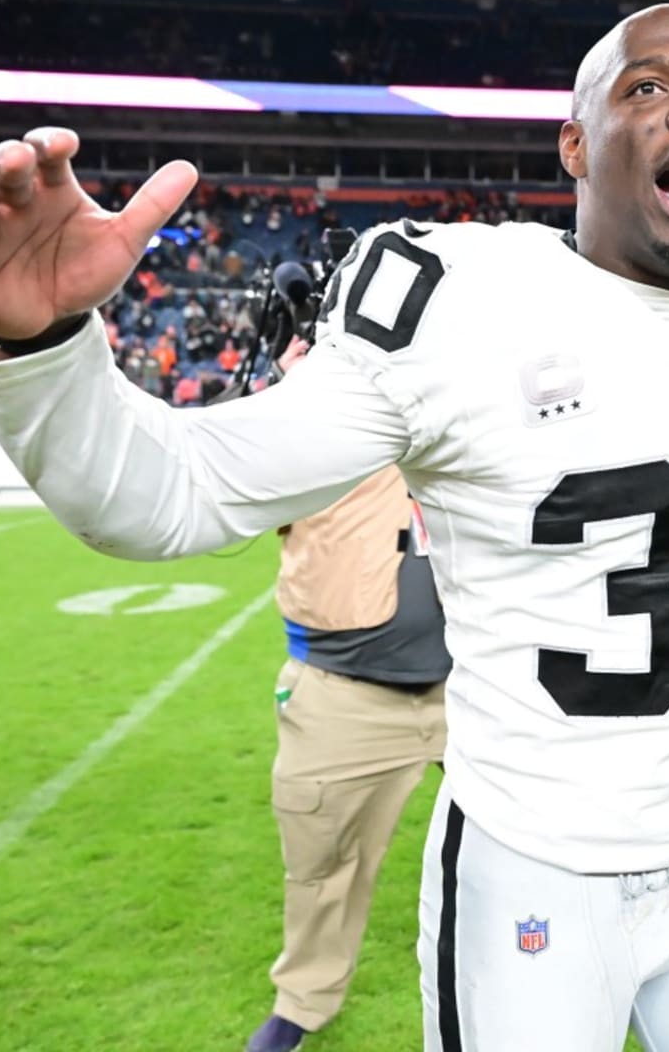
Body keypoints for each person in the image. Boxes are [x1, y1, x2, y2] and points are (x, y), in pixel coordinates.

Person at [0, 4, 669, 1051]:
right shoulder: (459, 309)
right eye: (649, 89)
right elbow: (172, 493)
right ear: (575, 144)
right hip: (532, 872)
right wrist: (46, 338)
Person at [248, 338, 450, 1052]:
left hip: (482, 686)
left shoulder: (464, 404)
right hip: (343, 694)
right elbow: (231, 484)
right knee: (322, 865)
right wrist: (291, 392)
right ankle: (303, 1000)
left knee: (545, 846)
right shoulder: (310, 416)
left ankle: (586, 975)